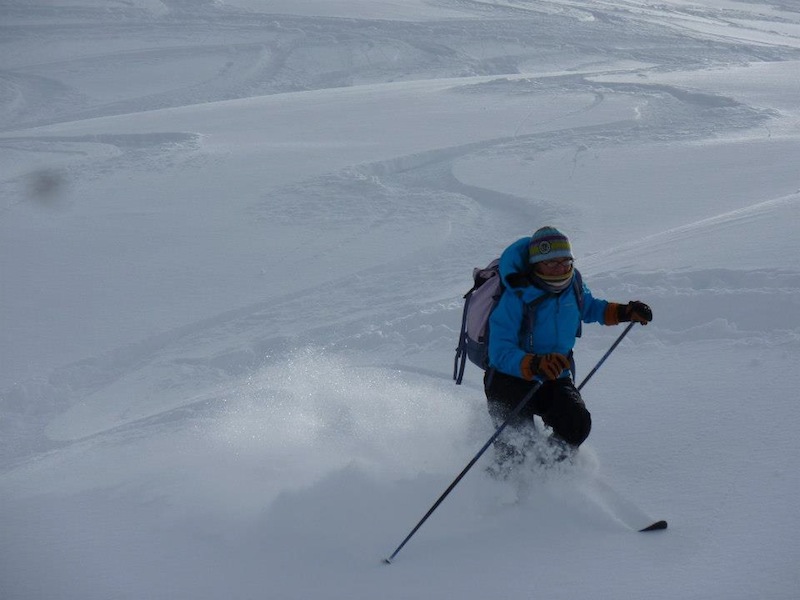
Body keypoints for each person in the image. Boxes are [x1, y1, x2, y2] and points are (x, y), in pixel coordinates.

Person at [485, 226, 652, 472]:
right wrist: (533, 363)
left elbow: (591, 308)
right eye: (552, 263)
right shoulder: (516, 296)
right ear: (536, 265)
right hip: (509, 380)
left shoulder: (573, 285)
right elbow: (498, 351)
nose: (561, 268)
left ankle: (547, 474)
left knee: (576, 425)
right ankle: (499, 489)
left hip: (554, 376)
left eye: (566, 261)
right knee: (516, 447)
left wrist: (625, 312)